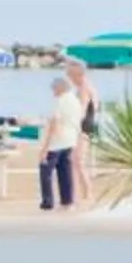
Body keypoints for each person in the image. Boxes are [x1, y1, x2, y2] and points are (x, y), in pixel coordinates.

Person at [39, 74, 84, 211]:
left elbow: (55, 123)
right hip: (70, 140)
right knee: (65, 171)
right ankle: (67, 201)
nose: (53, 92)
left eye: (54, 89)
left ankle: (48, 201)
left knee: (45, 171)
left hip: (57, 142)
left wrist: (45, 147)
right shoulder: (75, 101)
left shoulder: (60, 101)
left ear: (60, 88)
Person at [64, 58, 101, 200]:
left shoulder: (84, 88)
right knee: (77, 160)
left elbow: (82, 110)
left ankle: (86, 193)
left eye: (70, 76)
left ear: (77, 75)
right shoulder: (89, 87)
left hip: (82, 127)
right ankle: (84, 192)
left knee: (77, 160)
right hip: (87, 126)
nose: (70, 79)